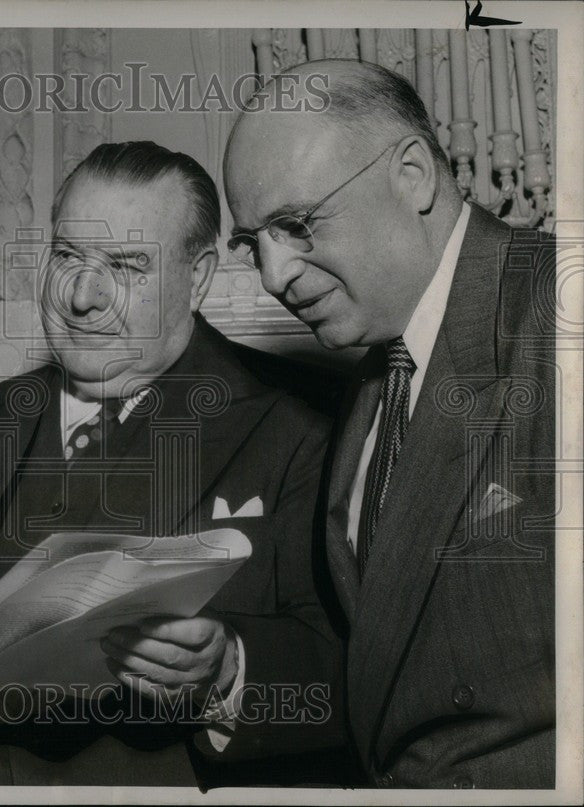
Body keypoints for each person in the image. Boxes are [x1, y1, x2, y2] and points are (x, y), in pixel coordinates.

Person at [0, 141, 351, 787]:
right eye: (68, 256)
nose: (84, 295)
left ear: (198, 276)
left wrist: (230, 669)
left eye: (126, 266)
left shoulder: (303, 424)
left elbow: (367, 669)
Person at [223, 59, 555, 788]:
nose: (274, 276)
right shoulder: (378, 370)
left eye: (296, 223)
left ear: (412, 176)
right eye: (253, 242)